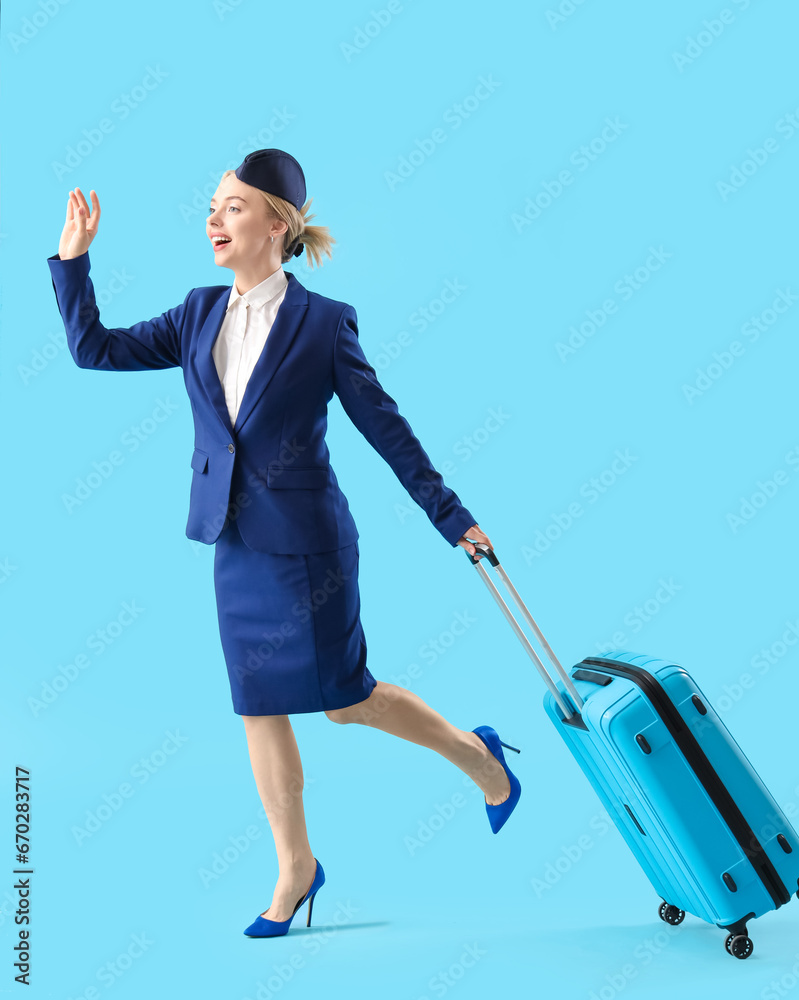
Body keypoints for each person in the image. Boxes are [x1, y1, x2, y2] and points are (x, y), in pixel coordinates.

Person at [47, 148, 522, 939]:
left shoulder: (325, 324)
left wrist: (452, 517)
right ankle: (295, 866)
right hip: (233, 542)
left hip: (309, 549)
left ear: (278, 223)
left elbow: (388, 431)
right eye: (210, 208)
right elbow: (93, 348)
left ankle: (480, 757)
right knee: (257, 705)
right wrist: (74, 261)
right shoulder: (198, 312)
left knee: (347, 702)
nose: (213, 220)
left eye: (232, 207)